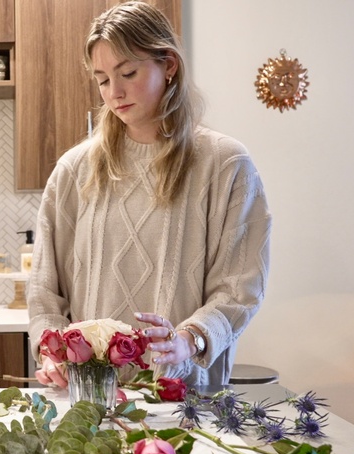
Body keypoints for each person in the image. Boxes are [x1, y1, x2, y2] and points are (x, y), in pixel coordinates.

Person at [28, 1, 271, 393]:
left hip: (187, 401)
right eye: (103, 79)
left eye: (128, 72)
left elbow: (240, 289)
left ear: (169, 65)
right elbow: (44, 288)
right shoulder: (74, 170)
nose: (115, 92)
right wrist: (51, 347)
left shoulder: (226, 164)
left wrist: (188, 340)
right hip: (92, 400)